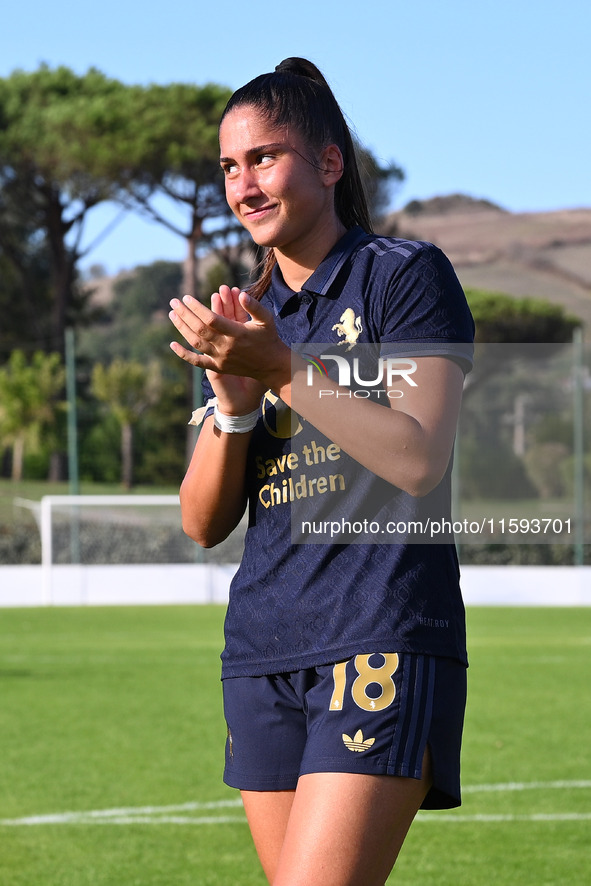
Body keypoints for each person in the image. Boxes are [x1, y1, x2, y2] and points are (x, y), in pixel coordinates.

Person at [168, 57, 474, 886]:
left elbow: (418, 456)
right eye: (229, 167)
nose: (243, 184)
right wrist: (232, 403)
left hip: (378, 640)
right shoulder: (248, 315)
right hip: (262, 656)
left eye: (264, 157)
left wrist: (280, 370)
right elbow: (200, 523)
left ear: (329, 162)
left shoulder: (402, 278)